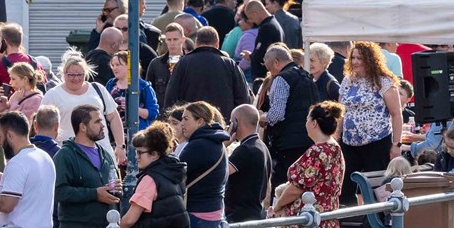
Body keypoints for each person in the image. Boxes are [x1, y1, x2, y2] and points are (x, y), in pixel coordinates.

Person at [336, 42, 405, 174]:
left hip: (377, 141)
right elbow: (341, 112)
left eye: (359, 58)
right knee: (346, 186)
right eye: (353, 58)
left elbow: (396, 114)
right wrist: (336, 137)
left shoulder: (384, 81)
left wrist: (397, 144)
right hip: (349, 141)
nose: (355, 61)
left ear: (370, 59)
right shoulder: (347, 80)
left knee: (376, 186)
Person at [258, 45, 322, 185]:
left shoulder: (282, 79)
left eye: (269, 68)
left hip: (288, 142)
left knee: (282, 185)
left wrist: (260, 116)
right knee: (304, 183)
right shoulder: (306, 76)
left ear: (276, 62)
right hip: (310, 138)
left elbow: (276, 114)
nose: (270, 73)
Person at [169, 27, 252, 117]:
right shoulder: (229, 64)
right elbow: (243, 97)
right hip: (222, 123)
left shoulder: (183, 63)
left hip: (190, 122)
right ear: (217, 43)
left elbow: (171, 96)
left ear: (196, 43)